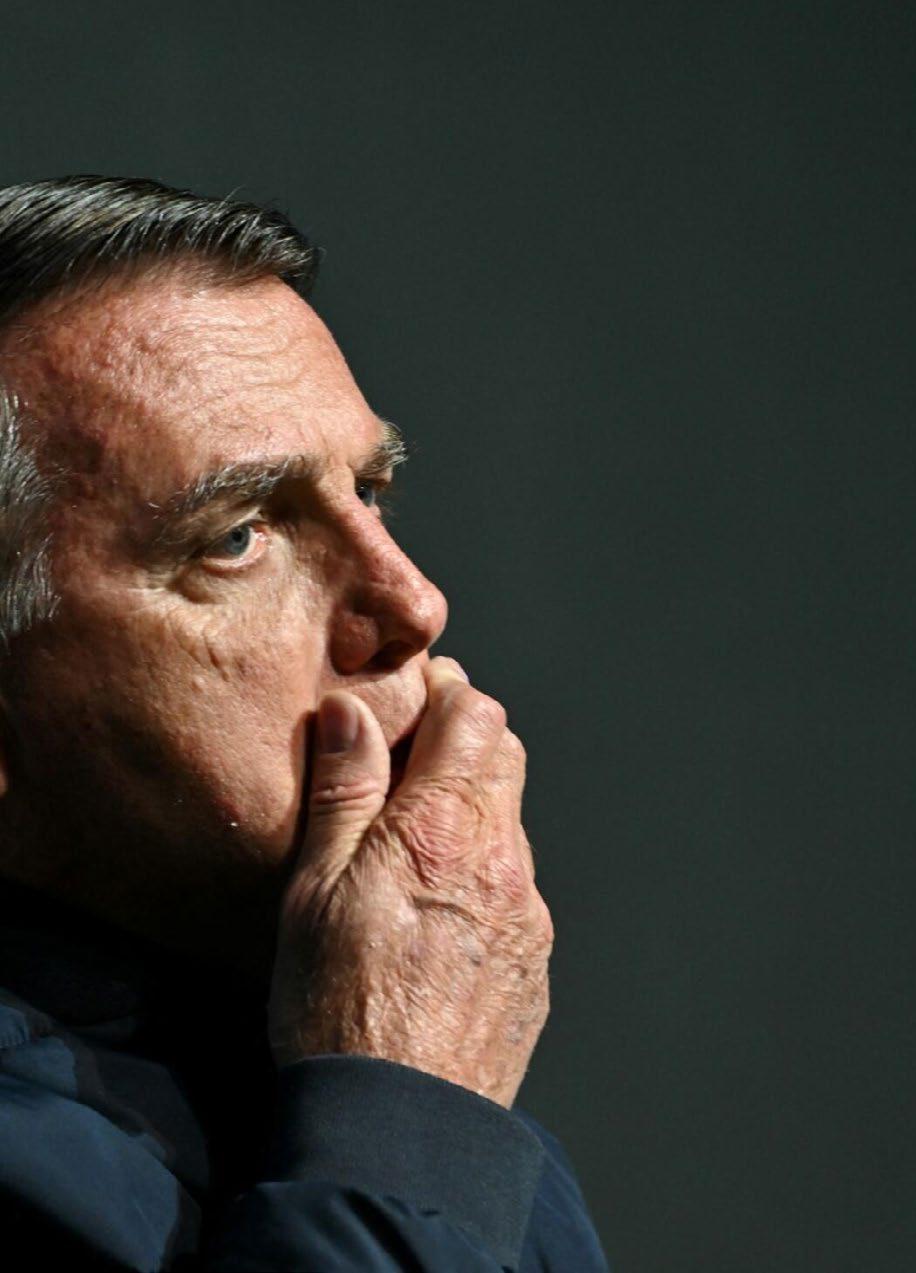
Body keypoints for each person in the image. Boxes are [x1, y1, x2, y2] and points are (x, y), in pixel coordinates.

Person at [0, 175, 607, 1270]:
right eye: (238, 535)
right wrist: (405, 1117)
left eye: (368, 492)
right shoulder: (403, 1100)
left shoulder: (361, 1060)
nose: (413, 602)